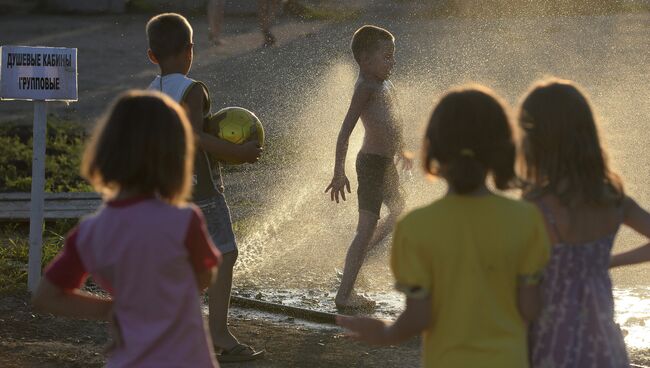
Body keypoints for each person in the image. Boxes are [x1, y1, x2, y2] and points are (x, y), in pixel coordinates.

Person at [337, 85, 551, 368]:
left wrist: (385, 333)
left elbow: (416, 318)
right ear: (502, 149)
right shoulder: (527, 220)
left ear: (432, 151)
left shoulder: (415, 228)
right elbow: (534, 309)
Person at [31, 90, 221, 367]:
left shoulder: (90, 232)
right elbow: (206, 275)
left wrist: (112, 308)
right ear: (175, 157)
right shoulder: (184, 221)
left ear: (106, 150)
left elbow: (46, 297)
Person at [145, 13, 264, 362]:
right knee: (225, 254)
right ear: (190, 51)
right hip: (201, 193)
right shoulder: (192, 90)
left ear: (152, 56)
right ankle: (219, 335)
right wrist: (239, 152)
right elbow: (194, 138)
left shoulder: (151, 92)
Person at [519, 78, 650, 367]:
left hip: (550, 342)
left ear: (536, 141)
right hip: (603, 345)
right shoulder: (613, 200)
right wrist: (607, 260)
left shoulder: (533, 206)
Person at [325, 25, 412, 310]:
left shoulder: (384, 83)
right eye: (386, 57)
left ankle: (360, 259)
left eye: (393, 57)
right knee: (365, 228)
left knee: (398, 211)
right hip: (372, 165)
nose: (393, 63)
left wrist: (401, 150)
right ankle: (344, 294)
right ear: (364, 59)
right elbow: (344, 133)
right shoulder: (365, 87)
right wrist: (339, 172)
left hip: (386, 163)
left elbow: (392, 120)